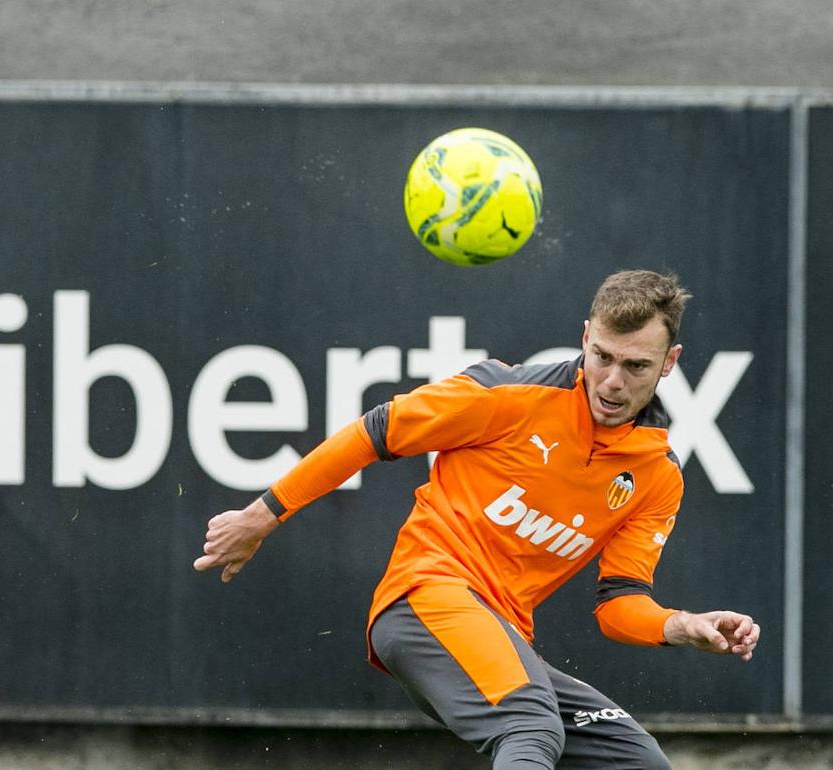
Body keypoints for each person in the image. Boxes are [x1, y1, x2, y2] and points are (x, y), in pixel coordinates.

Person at [193, 269, 760, 769]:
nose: (612, 381)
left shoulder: (657, 474)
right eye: (603, 357)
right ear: (586, 338)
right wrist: (262, 514)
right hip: (424, 599)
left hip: (503, 634)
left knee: (635, 760)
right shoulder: (506, 393)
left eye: (635, 366)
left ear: (669, 364)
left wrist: (682, 625)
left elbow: (617, 606)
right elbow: (376, 431)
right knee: (531, 726)